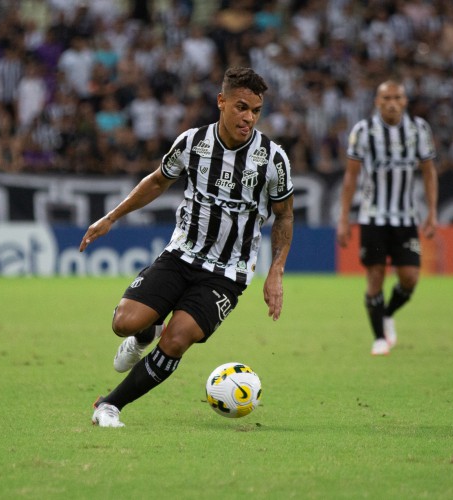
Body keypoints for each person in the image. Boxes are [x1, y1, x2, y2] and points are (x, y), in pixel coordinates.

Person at [79, 67, 295, 427]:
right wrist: (111, 217)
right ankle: (143, 335)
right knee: (125, 323)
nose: (248, 118)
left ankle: (109, 405)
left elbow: (285, 216)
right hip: (181, 255)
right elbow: (157, 181)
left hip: (228, 273)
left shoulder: (272, 159)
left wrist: (276, 271)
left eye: (256, 111)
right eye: (241, 107)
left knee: (177, 339)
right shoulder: (193, 143)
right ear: (221, 102)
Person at [336, 80, 438, 356]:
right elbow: (350, 177)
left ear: (405, 101)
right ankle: (379, 337)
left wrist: (432, 212)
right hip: (373, 218)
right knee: (376, 275)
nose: (392, 102)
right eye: (386, 98)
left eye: (397, 97)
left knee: (410, 278)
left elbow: (429, 172)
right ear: (377, 102)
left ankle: (387, 313)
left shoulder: (419, 129)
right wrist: (344, 219)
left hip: (406, 219)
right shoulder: (363, 131)